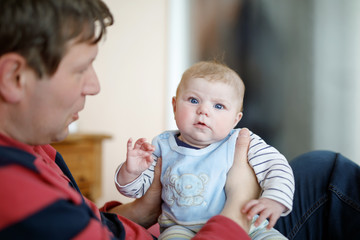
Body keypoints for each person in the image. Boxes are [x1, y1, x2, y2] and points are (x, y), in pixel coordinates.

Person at [0, 0, 260, 239]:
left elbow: (88, 222)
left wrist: (144, 208)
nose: (94, 86)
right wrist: (239, 203)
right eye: (80, 69)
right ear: (15, 78)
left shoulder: (36, 147)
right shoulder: (14, 189)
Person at [115, 61, 294, 239]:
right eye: (194, 100)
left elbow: (276, 167)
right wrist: (131, 172)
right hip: (180, 227)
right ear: (175, 106)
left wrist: (275, 199)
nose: (203, 111)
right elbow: (135, 191)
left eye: (218, 106)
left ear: (235, 119)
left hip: (251, 226)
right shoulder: (162, 145)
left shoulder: (242, 141)